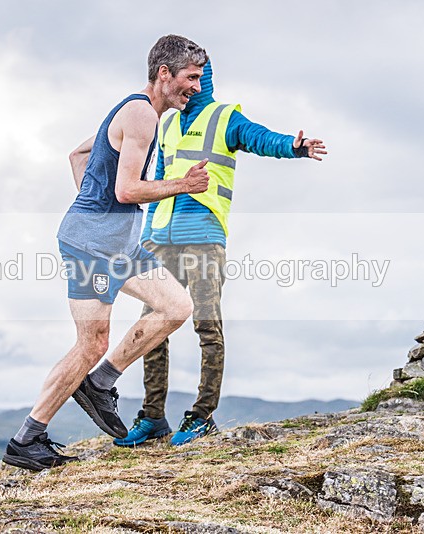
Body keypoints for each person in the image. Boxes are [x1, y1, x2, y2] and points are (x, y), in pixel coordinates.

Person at [2, 35, 211, 471]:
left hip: (118, 243)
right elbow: (127, 189)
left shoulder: (137, 112)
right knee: (91, 342)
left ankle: (101, 382)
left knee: (176, 306)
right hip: (92, 246)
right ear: (164, 74)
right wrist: (183, 186)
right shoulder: (140, 114)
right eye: (191, 78)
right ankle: (27, 439)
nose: (196, 86)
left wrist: (94, 200)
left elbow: (80, 153)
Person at [113, 59, 326, 448]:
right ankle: (153, 417)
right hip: (160, 238)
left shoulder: (224, 117)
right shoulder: (167, 123)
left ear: (203, 78)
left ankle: (201, 415)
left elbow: (259, 137)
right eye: (187, 76)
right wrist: (145, 234)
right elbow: (157, 178)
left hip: (204, 238)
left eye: (197, 76)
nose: (191, 85)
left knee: (206, 326)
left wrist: (294, 147)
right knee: (152, 328)